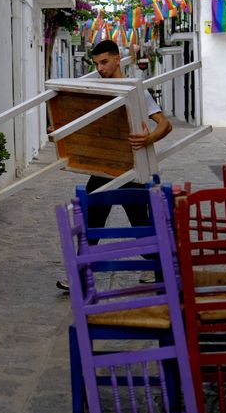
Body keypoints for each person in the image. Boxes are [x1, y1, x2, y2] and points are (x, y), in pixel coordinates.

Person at [56, 40, 172, 291]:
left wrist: (149, 138)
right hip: (104, 168)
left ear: (118, 59)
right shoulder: (96, 90)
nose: (100, 68)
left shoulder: (135, 89)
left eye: (104, 62)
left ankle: (157, 268)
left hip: (132, 169)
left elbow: (164, 124)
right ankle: (79, 275)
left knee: (141, 224)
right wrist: (61, 131)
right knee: (91, 220)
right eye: (96, 63)